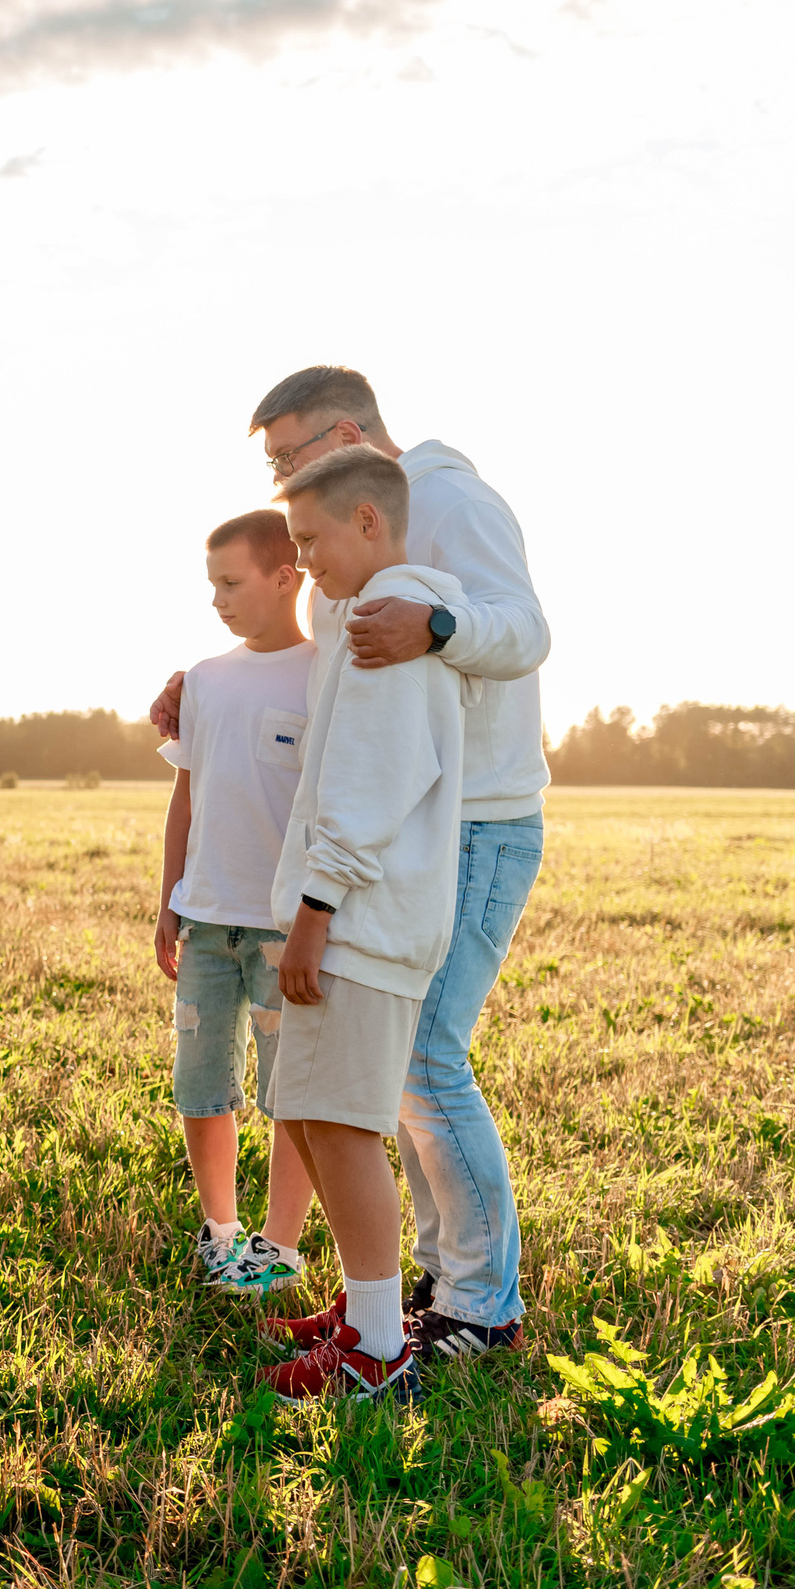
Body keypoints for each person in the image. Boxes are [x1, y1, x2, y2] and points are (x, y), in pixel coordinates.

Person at [151, 366, 548, 1361]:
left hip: (469, 820)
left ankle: (480, 1306)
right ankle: (429, 1289)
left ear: (343, 439)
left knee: (422, 1060)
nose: (281, 480)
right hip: (392, 831)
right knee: (394, 1075)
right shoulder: (346, 550)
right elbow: (329, 688)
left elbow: (525, 630)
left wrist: (439, 627)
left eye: (289, 455)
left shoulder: (448, 502)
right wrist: (208, 694)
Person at [249, 445, 473, 1401]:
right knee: (307, 1111)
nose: (302, 562)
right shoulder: (371, 615)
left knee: (339, 1126)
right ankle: (365, 1307)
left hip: (358, 921)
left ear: (370, 521)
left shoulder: (389, 621)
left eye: (311, 540)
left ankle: (376, 1351)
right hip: (352, 917)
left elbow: (370, 783)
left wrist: (314, 913)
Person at [153, 510, 319, 1298]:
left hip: (284, 929)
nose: (217, 598)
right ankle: (220, 1232)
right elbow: (184, 798)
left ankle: (278, 1244)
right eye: (211, 584)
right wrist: (169, 900)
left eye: (231, 582)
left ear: (285, 577)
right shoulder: (205, 679)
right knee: (201, 1083)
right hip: (207, 918)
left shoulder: (325, 675)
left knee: (293, 1094)